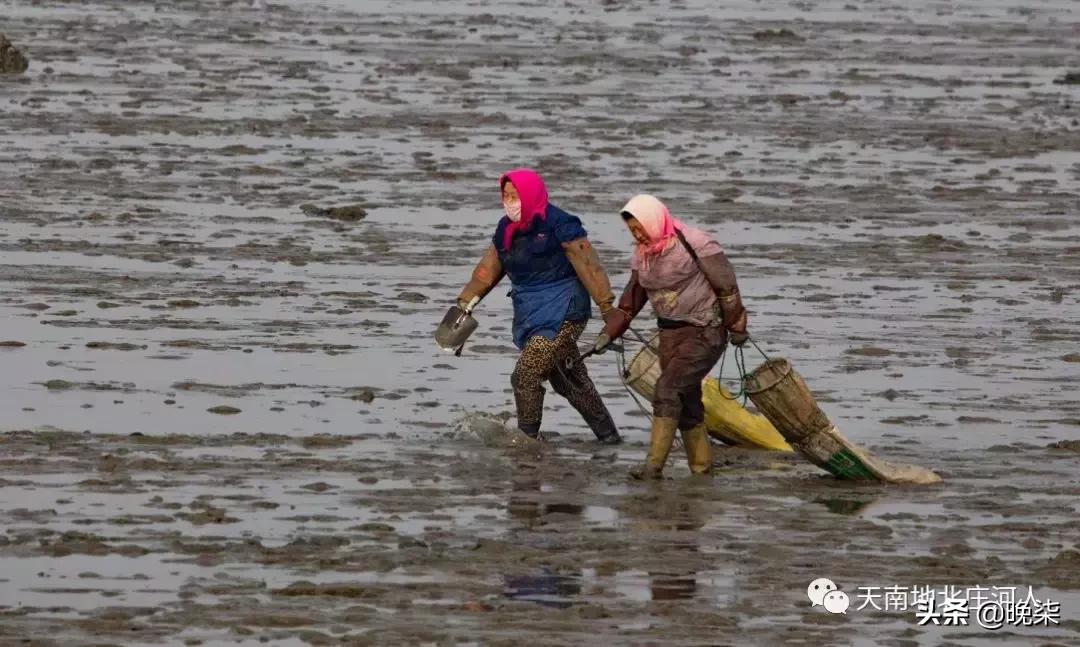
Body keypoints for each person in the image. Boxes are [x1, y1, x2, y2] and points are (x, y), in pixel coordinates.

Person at [456, 168, 623, 444]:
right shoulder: (505, 230)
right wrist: (463, 306)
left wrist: (607, 309)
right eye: (506, 196)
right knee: (568, 377)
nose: (510, 201)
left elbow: (589, 267)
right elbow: (486, 272)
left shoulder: (559, 224)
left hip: (564, 310)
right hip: (531, 313)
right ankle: (609, 438)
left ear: (530, 195)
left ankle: (526, 440)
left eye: (515, 195)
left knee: (526, 374)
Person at [595, 194, 749, 477]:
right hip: (670, 336)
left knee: (667, 389)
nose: (638, 234)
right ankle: (702, 468)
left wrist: (737, 326)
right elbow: (630, 303)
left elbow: (727, 288)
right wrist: (607, 335)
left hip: (706, 332)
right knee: (687, 402)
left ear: (655, 220)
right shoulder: (642, 258)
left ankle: (652, 468)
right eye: (632, 231)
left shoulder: (697, 243)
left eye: (640, 227)